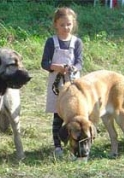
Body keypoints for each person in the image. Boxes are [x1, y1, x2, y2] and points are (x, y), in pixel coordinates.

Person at [40, 7, 84, 157]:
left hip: (72, 84)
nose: (66, 28)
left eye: (69, 24)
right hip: (56, 84)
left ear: (73, 24)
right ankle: (57, 145)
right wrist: (55, 67)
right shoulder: (51, 42)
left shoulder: (77, 42)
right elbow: (44, 63)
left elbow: (79, 62)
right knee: (57, 115)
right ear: (56, 25)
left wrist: (73, 68)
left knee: (73, 114)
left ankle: (76, 141)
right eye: (62, 25)